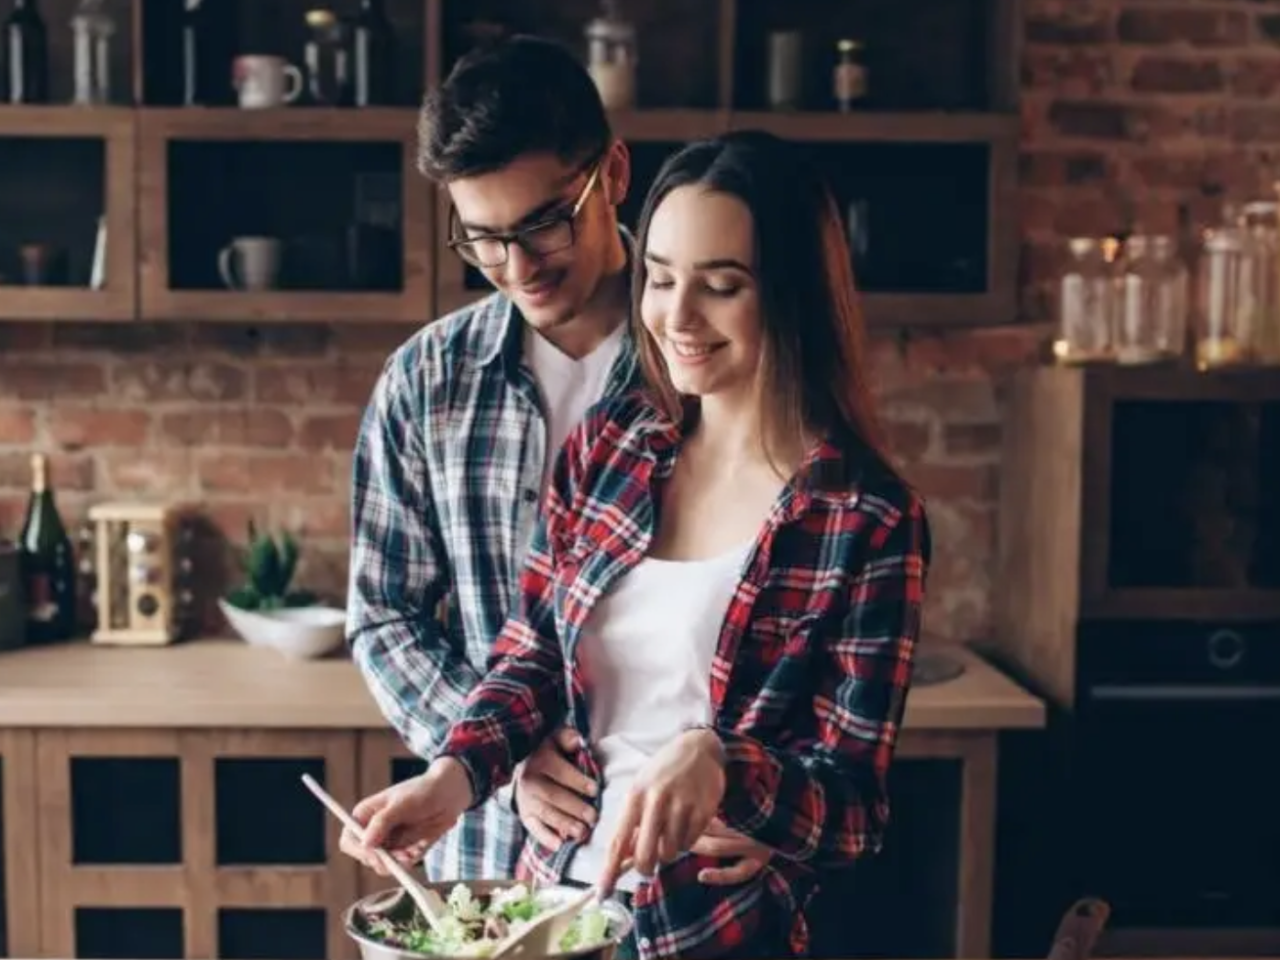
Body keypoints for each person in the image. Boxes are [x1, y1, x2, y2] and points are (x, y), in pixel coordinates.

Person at [343, 130, 931, 960]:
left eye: (721, 286)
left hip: (710, 932)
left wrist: (723, 764)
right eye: (658, 279)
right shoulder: (609, 450)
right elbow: (532, 657)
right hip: (548, 915)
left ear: (792, 294)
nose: (676, 318)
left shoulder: (865, 517)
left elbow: (853, 810)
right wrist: (456, 777)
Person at [347, 34, 770, 890]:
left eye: (542, 223)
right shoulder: (426, 382)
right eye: (483, 239)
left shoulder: (713, 360)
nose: (517, 266)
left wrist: (768, 795)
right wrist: (492, 762)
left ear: (613, 174)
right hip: (491, 867)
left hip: (687, 868)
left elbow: (801, 615)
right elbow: (383, 612)